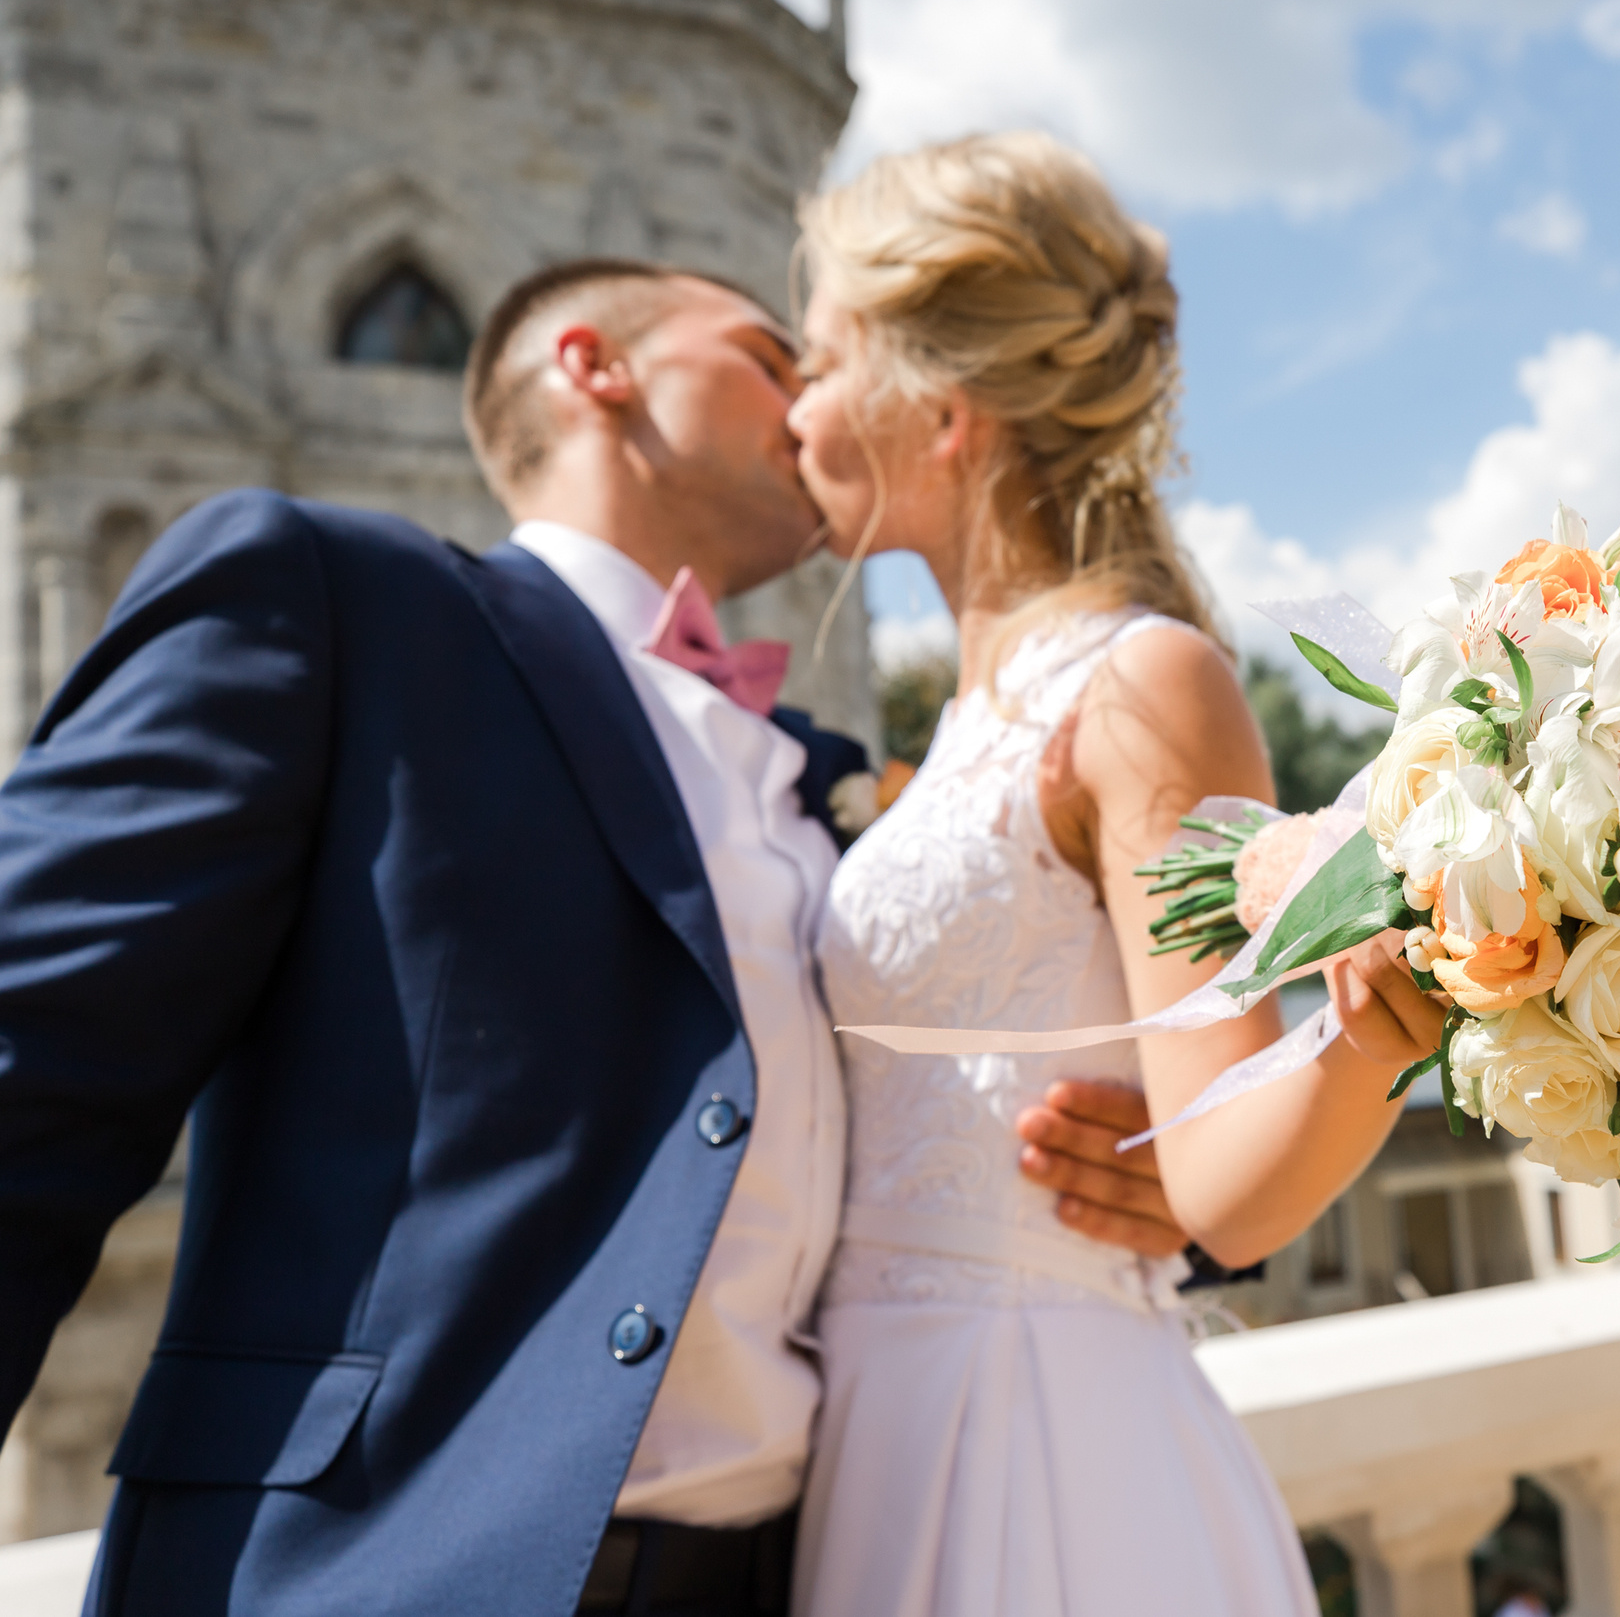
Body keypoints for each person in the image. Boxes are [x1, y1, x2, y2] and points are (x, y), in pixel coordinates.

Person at [0, 257, 1393, 1616]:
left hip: (813, 1557)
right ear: (597, 368)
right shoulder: (337, 601)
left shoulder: (848, 787)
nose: (813, 404)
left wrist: (1156, 1183)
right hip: (382, 1561)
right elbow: (33, 1056)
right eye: (772, 358)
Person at [783, 131, 1446, 1617]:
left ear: (940, 410)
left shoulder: (1140, 684)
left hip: (1032, 1433)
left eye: (819, 363)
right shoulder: (974, 717)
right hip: (880, 1418)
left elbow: (1222, 1183)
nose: (795, 408)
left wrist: (1388, 1012)